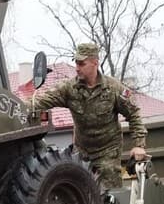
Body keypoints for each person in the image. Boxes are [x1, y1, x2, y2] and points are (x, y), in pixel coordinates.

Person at [30, 41, 147, 191]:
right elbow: (40, 102)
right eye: (76, 63)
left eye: (81, 64)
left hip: (108, 151)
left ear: (95, 63)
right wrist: (16, 106)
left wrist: (139, 145)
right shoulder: (69, 88)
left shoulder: (113, 89)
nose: (77, 68)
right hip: (82, 152)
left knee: (110, 194)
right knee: (80, 194)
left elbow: (134, 113)